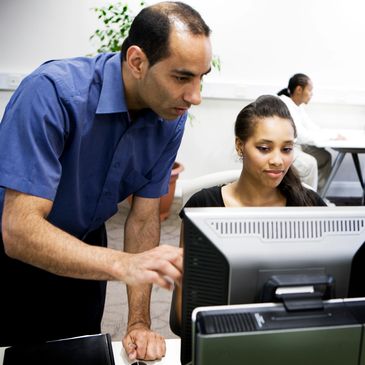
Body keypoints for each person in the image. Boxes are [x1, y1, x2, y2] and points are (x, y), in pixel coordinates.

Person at [0, 1, 212, 362]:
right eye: (181, 77)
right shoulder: (52, 93)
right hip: (15, 258)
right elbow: (19, 229)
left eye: (201, 77)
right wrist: (122, 264)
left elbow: (144, 218)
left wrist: (139, 322)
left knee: (77, 352)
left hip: (88, 245)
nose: (196, 96)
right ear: (137, 61)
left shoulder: (169, 116)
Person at [170, 95, 326, 334]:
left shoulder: (310, 206)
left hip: (295, 332)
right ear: (240, 145)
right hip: (224, 335)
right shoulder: (204, 207)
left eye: (286, 149)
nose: (277, 160)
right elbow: (183, 318)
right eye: (264, 148)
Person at [278, 73, 332, 193]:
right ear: (299, 89)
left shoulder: (297, 107)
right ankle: (307, 202)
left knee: (325, 157)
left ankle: (319, 197)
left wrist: (331, 136)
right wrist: (325, 138)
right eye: (310, 90)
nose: (311, 94)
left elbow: (312, 127)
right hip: (286, 147)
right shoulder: (285, 104)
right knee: (310, 163)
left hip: (297, 145)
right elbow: (301, 136)